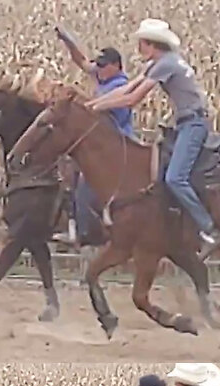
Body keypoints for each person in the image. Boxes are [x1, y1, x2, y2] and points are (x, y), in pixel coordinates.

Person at [85, 18, 220, 257]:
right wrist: (93, 105)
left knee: (175, 178)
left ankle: (210, 229)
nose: (139, 48)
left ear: (152, 45)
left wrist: (96, 109)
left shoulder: (165, 64)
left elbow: (132, 99)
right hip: (186, 123)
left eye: (141, 43)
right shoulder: (162, 63)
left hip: (193, 124)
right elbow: (126, 89)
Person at [54, 27, 137, 246]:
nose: (97, 69)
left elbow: (101, 114)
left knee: (86, 184)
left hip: (115, 145)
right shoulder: (103, 79)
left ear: (115, 66)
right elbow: (82, 61)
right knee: (69, 176)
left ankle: (85, 231)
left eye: (102, 65)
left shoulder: (120, 85)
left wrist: (80, 100)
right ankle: (75, 223)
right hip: (99, 145)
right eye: (98, 64)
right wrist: (69, 40)